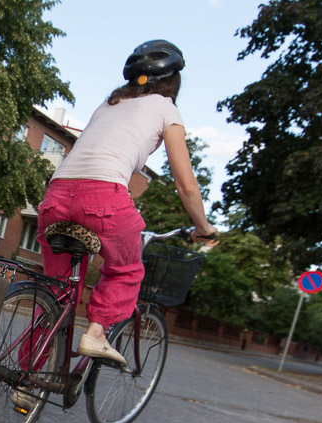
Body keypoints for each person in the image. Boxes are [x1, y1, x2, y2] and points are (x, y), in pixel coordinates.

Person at [38, 40, 218, 364]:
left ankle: (26, 376)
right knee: (127, 270)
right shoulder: (166, 108)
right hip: (104, 197)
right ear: (173, 81)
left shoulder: (108, 105)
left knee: (56, 290)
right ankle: (96, 333)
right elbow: (186, 185)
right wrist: (203, 227)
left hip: (56, 195)